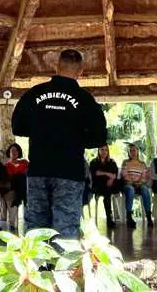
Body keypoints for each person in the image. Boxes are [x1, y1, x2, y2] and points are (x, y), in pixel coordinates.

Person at [12, 49, 107, 239]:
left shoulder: (35, 93)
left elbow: (18, 127)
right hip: (69, 173)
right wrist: (76, 139)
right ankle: (63, 269)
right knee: (66, 230)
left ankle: (35, 268)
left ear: (57, 67)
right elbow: (99, 137)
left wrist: (42, 133)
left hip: (39, 170)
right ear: (81, 71)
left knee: (36, 229)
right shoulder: (85, 99)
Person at [121, 143, 153, 228]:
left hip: (140, 184)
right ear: (128, 152)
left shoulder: (142, 164)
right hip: (128, 184)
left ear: (137, 151)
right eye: (131, 151)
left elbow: (145, 176)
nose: (133, 152)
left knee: (145, 190)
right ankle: (129, 218)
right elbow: (124, 175)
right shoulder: (126, 162)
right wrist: (132, 182)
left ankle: (149, 217)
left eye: (134, 150)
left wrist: (139, 182)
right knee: (130, 190)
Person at [89, 145, 121, 229]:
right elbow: (95, 173)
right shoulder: (94, 162)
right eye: (102, 150)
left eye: (106, 150)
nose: (104, 152)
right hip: (98, 186)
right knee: (107, 191)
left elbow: (115, 174)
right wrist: (107, 174)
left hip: (110, 185)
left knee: (112, 188)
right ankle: (109, 218)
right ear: (98, 151)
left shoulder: (111, 162)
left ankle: (113, 216)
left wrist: (110, 178)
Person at [4, 143, 28, 208]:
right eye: (12, 150)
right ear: (9, 153)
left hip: (25, 183)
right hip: (13, 183)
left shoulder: (24, 162)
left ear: (19, 152)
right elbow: (9, 176)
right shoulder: (6, 165)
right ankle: (23, 200)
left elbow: (29, 172)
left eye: (16, 150)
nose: (14, 152)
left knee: (23, 177)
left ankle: (19, 199)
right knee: (19, 177)